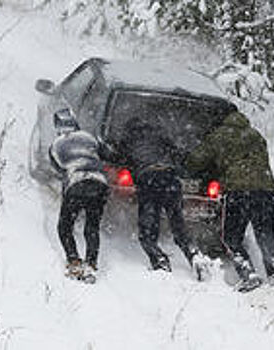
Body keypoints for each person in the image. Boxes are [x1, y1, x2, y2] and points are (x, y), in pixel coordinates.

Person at [185, 111, 274, 292]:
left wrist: (189, 166)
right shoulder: (255, 135)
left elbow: (197, 160)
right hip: (266, 190)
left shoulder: (220, 135)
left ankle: (249, 275)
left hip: (238, 192)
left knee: (231, 237)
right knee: (265, 235)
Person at [118, 116, 209, 280]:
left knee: (148, 230)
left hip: (148, 181)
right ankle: (194, 255)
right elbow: (178, 154)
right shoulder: (160, 136)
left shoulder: (128, 139)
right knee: (177, 223)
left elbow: (119, 160)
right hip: (170, 180)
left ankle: (160, 260)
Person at [49, 109, 109, 284]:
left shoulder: (56, 145)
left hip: (76, 183)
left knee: (65, 226)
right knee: (92, 226)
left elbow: (59, 169)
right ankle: (91, 264)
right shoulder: (89, 138)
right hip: (99, 183)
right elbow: (105, 155)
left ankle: (74, 261)